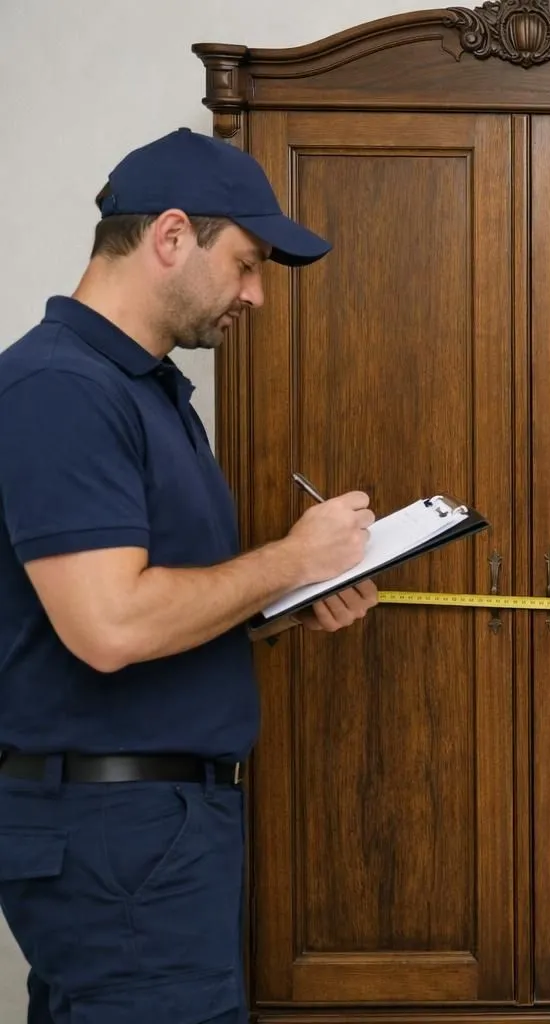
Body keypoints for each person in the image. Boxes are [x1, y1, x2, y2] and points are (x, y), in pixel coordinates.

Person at [0, 128, 381, 1024]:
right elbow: (111, 627)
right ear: (172, 237)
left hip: (146, 832)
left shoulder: (143, 392)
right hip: (118, 836)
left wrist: (285, 605)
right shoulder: (61, 389)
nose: (254, 294)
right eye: (246, 264)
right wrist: (293, 557)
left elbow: (155, 613)